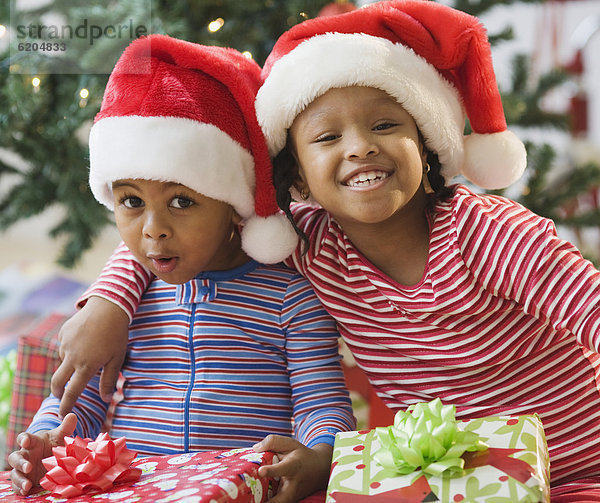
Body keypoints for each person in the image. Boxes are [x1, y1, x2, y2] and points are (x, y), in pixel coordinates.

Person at [49, 0, 600, 499]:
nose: (360, 146)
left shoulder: (486, 232)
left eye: (385, 125)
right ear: (297, 179)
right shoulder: (310, 242)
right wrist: (110, 303)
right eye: (327, 137)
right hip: (463, 479)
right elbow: (187, 227)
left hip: (584, 467)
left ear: (428, 146)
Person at [8, 34, 356, 502]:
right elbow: (77, 402)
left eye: (181, 201)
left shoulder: (291, 297)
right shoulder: (125, 299)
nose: (153, 229)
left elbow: (321, 404)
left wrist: (320, 454)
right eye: (131, 201)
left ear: (235, 205)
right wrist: (47, 439)